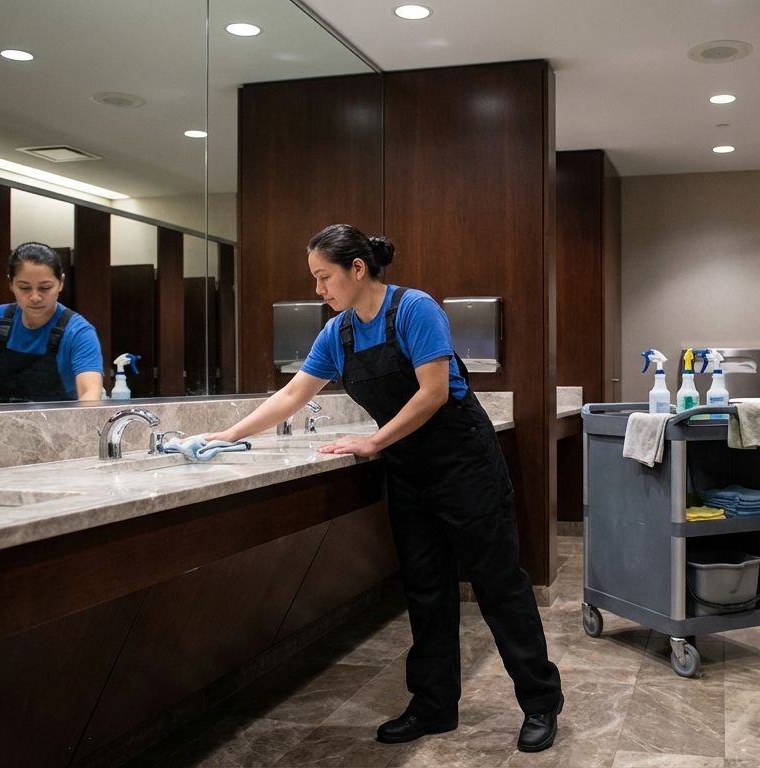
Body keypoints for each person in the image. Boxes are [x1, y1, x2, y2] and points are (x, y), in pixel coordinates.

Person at [204, 224, 564, 752]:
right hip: (410, 470)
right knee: (425, 588)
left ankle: (539, 702)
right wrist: (230, 434)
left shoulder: (414, 309)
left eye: (324, 277)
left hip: (464, 463)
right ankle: (434, 705)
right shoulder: (340, 333)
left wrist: (375, 441)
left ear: (356, 269)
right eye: (314, 280)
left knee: (498, 584)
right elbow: (294, 392)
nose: (319, 291)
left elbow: (435, 392)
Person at [0, 242, 104, 403]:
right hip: (0, 423)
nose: (35, 297)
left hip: (61, 425)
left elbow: (90, 394)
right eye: (24, 288)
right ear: (11, 283)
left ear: (61, 282)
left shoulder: (79, 332)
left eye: (45, 288)